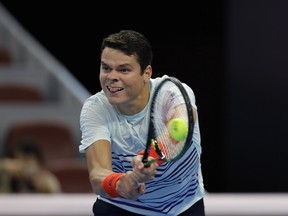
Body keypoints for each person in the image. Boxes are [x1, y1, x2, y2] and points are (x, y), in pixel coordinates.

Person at [79, 30, 205, 215]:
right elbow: (98, 175)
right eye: (106, 68)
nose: (112, 76)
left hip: (183, 205)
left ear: (146, 73)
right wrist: (120, 183)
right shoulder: (95, 109)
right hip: (121, 207)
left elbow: (182, 124)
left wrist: (151, 155)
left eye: (124, 69)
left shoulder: (171, 91)